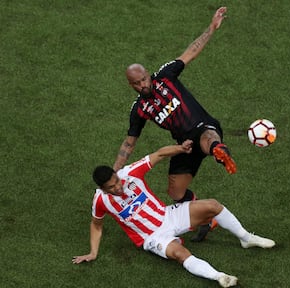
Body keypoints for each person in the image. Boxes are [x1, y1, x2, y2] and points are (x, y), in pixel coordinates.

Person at [73, 141, 276, 287]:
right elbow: (96, 225)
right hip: (152, 237)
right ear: (102, 188)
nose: (118, 187)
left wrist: (180, 148)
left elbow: (159, 154)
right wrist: (93, 253)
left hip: (168, 215)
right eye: (112, 187)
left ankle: (246, 238)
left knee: (212, 205)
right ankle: (220, 277)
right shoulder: (100, 200)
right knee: (180, 254)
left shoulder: (130, 173)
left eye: (116, 181)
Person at [113, 6, 236, 242]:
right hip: (184, 145)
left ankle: (219, 151)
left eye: (144, 79)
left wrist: (211, 28)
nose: (143, 85)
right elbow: (129, 142)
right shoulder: (139, 110)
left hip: (203, 128)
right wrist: (116, 171)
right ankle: (209, 219)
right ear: (132, 86)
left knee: (207, 137)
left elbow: (191, 51)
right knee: (175, 192)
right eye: (137, 84)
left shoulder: (166, 75)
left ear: (149, 74)